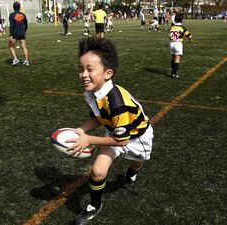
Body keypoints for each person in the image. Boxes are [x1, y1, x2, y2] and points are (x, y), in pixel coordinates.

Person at [70, 37, 154, 225]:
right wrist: (79, 130)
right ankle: (94, 205)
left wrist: (89, 139)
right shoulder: (93, 92)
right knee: (98, 170)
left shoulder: (116, 101)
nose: (83, 74)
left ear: (108, 73)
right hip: (115, 133)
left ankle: (133, 171)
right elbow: (98, 118)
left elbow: (122, 141)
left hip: (138, 138)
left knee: (135, 164)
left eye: (90, 69)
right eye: (81, 69)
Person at [169, 13, 192, 78]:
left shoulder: (172, 27)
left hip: (171, 43)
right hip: (178, 43)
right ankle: (175, 74)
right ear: (182, 19)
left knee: (173, 57)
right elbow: (189, 35)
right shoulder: (182, 27)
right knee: (177, 58)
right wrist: (190, 39)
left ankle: (172, 72)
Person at [9, 1, 29, 66]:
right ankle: (26, 61)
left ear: (13, 7)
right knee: (24, 47)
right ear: (20, 7)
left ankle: (15, 59)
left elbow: (11, 26)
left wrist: (11, 35)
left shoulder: (11, 15)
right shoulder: (23, 15)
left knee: (11, 46)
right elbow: (26, 24)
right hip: (22, 33)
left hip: (15, 34)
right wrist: (24, 31)